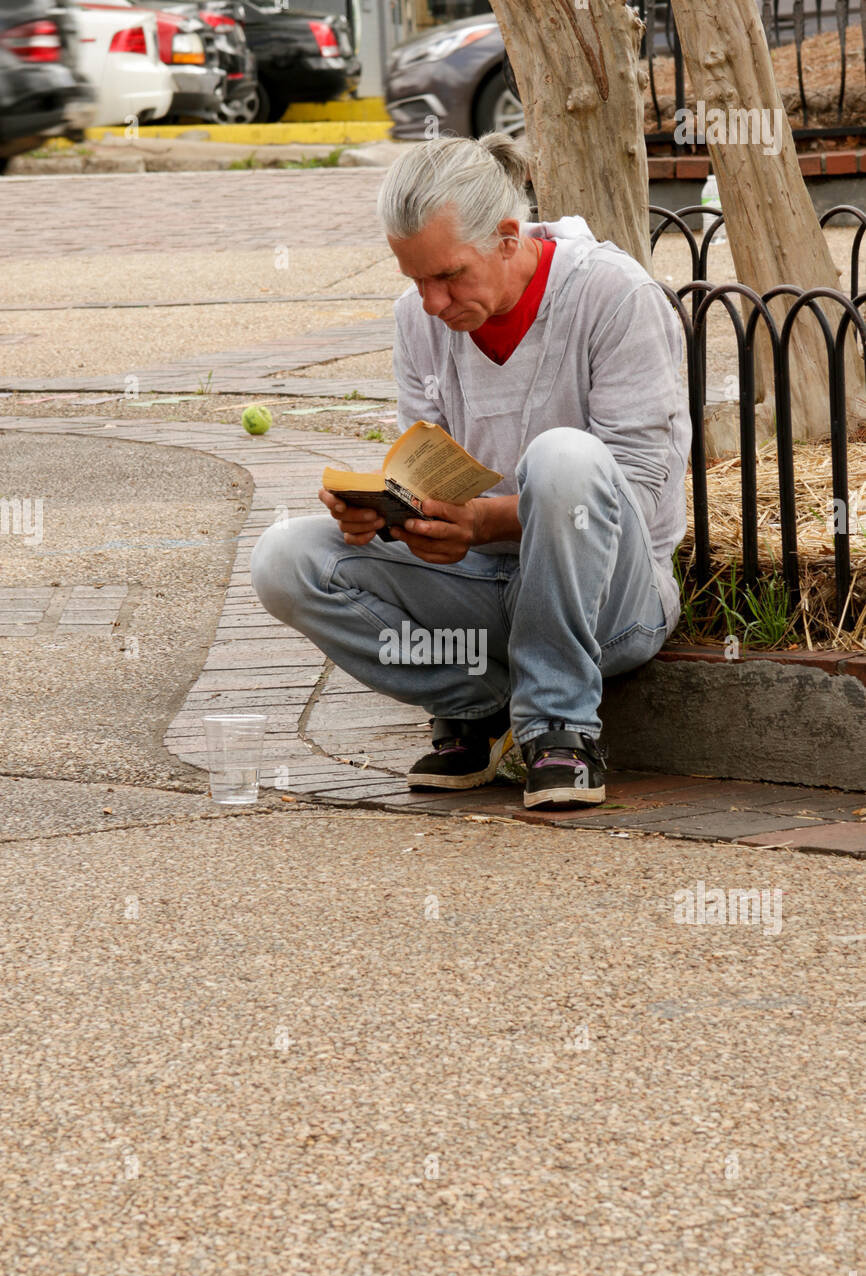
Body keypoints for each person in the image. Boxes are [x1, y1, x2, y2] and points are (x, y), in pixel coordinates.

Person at [251, 134, 691, 810]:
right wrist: (389, 514)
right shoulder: (420, 320)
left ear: (509, 238)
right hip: (487, 586)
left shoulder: (615, 293)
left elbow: (634, 489)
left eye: (448, 275)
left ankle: (560, 727)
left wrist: (488, 518)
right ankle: (481, 705)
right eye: (415, 279)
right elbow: (430, 466)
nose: (430, 302)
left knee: (561, 457)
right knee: (284, 559)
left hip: (614, 601)